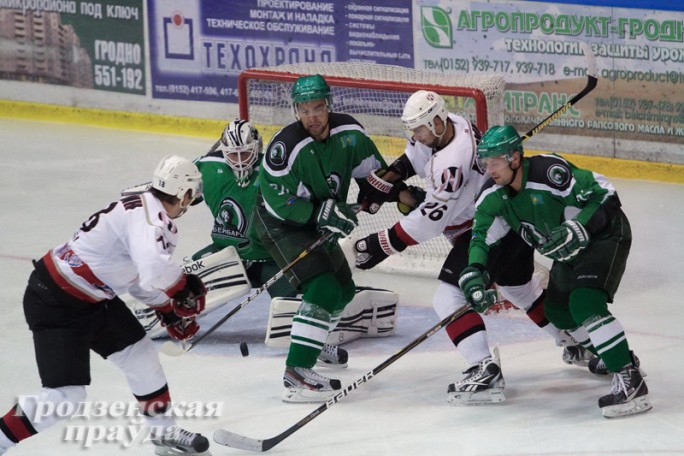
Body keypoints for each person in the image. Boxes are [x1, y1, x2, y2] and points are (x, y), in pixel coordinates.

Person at [354, 90, 590, 405]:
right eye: (414, 130)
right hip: (507, 221)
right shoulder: (449, 125)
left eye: (421, 129)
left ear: (437, 122)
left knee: (448, 296)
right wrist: (388, 180)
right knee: (521, 289)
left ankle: (483, 368)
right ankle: (578, 342)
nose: (417, 136)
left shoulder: (453, 161)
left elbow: (430, 221)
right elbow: (414, 158)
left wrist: (381, 243)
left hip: (487, 229)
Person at [0, 155, 211, 455]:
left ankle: (164, 435)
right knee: (65, 399)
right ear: (185, 194)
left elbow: (136, 274)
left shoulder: (144, 207)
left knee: (141, 357)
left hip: (94, 298)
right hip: (55, 301)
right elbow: (153, 268)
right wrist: (182, 289)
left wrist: (167, 309)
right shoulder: (152, 219)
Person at [461, 124, 651, 418]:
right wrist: (475, 271)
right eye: (485, 163)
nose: (490, 170)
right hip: (569, 251)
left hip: (604, 235)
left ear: (514, 158)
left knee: (585, 301)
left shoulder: (549, 172)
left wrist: (580, 227)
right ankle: (617, 355)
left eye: (495, 162)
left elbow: (606, 194)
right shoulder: (491, 197)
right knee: (559, 311)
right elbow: (480, 238)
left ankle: (629, 379)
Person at [254, 74, 388, 403]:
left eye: (318, 107)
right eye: (304, 109)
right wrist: (319, 215)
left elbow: (376, 177)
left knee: (344, 289)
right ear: (296, 110)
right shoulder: (285, 148)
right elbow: (275, 199)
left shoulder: (350, 135)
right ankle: (297, 371)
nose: (312, 116)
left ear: (329, 104)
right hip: (281, 223)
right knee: (323, 286)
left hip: (320, 220)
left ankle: (315, 339)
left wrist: (398, 194)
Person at [192, 119, 297, 299]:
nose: (240, 161)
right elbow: (176, 194)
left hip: (271, 258)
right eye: (234, 155)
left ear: (257, 147)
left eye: (246, 153)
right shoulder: (207, 167)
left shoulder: (274, 169)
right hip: (226, 253)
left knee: (294, 296)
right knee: (189, 281)